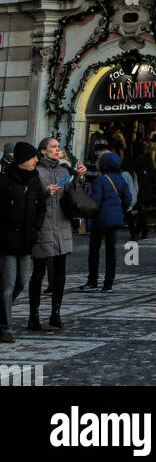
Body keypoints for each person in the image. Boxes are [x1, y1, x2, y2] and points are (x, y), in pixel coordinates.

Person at [29, 138, 85, 331]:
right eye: (53, 147)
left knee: (60, 275)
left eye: (58, 147)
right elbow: (30, 197)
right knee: (38, 273)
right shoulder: (36, 171)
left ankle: (56, 313)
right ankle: (33, 315)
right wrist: (44, 194)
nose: (57, 149)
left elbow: (73, 195)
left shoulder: (64, 170)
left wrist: (78, 177)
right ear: (43, 151)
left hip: (62, 225)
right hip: (44, 226)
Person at [0, 143, 45, 343]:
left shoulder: (35, 180)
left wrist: (36, 228)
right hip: (7, 241)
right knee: (7, 284)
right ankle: (5, 327)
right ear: (22, 159)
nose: (36, 160)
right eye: (32, 157)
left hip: (27, 240)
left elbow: (41, 206)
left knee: (21, 282)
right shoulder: (4, 181)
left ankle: (2, 314)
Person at [80, 151, 132, 292]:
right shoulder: (121, 179)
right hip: (115, 219)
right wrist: (120, 209)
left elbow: (96, 201)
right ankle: (109, 282)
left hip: (101, 220)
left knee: (95, 249)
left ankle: (93, 280)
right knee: (111, 251)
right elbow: (128, 199)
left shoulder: (100, 180)